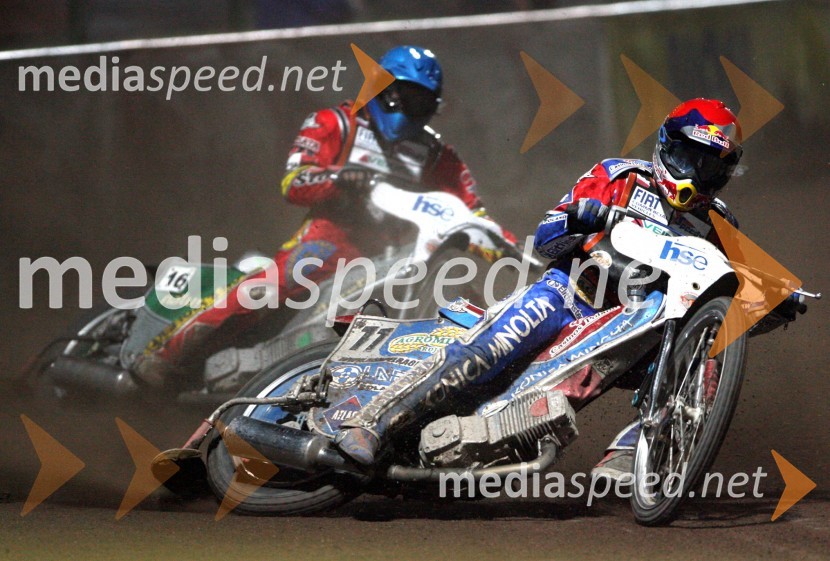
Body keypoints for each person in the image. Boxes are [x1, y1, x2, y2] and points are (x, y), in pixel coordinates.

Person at [334, 98, 747, 467]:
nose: (695, 174)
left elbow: (722, 292)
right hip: (568, 297)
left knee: (704, 363)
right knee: (486, 352)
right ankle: (373, 423)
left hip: (641, 327)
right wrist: (586, 216)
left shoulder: (719, 223)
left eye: (709, 168)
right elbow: (547, 238)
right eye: (689, 157)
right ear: (666, 147)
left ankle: (632, 453)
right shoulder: (620, 176)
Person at [135, 45, 509, 388]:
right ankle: (165, 353)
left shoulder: (439, 156)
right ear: (383, 90)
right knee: (275, 283)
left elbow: (472, 214)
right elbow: (294, 181)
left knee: (458, 291)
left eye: (421, 102)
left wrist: (509, 248)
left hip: (402, 257)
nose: (409, 109)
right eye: (404, 96)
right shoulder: (336, 123)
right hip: (332, 240)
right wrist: (342, 179)